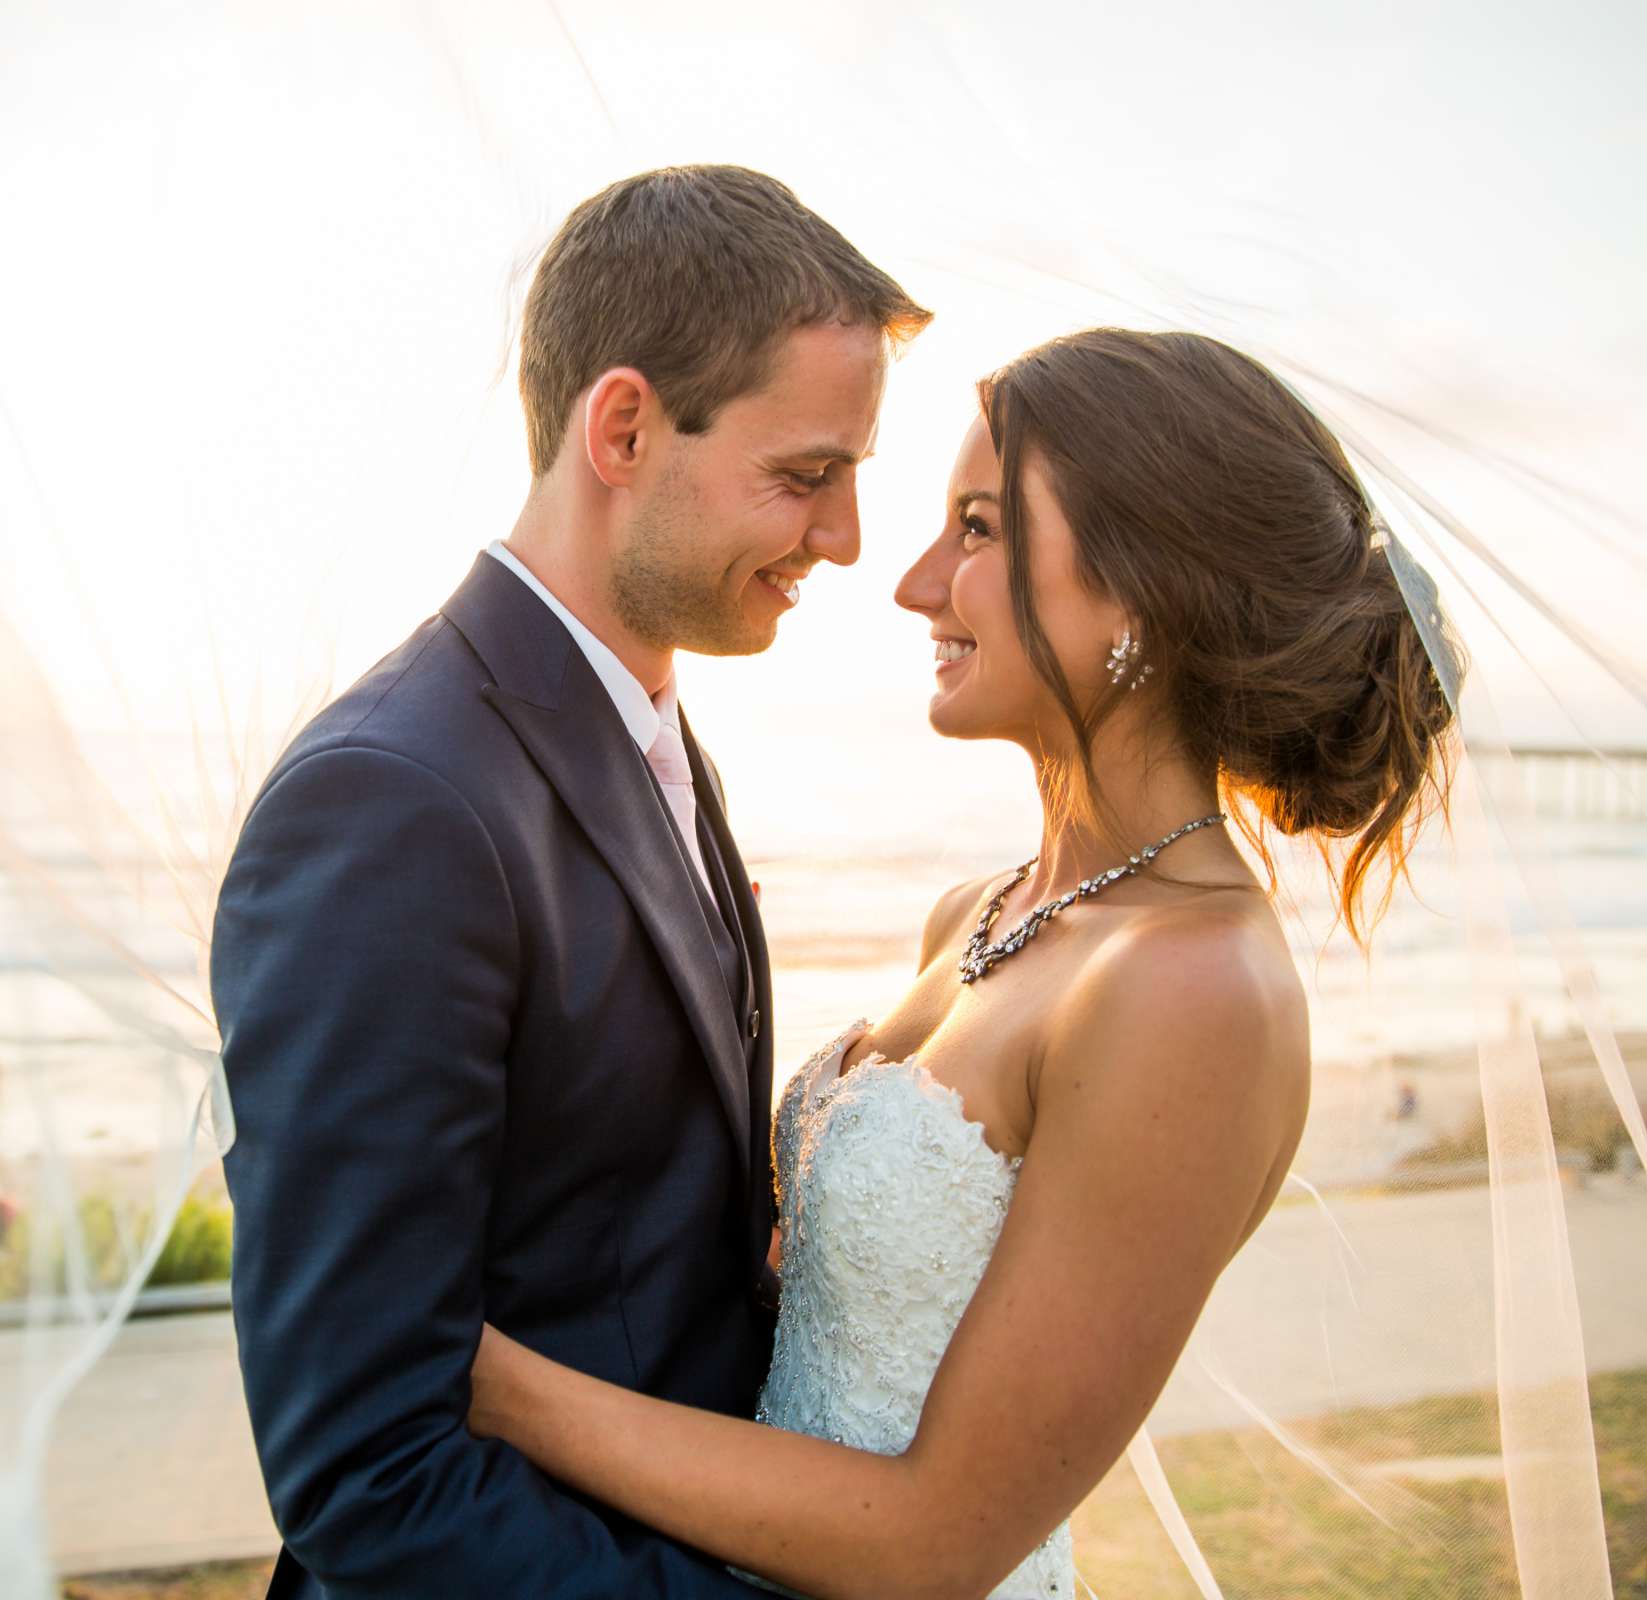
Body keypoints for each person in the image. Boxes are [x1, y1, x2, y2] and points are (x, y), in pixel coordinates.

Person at [465, 328, 1462, 1599]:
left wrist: (493, 1382)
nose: (915, 581)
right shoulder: (976, 914)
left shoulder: (1197, 990)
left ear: (1145, 592)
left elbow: (934, 1540)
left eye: (979, 529)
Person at [209, 164, 929, 1597]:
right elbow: (369, 1467)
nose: (847, 538)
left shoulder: (643, 721)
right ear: (623, 427)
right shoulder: (392, 804)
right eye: (807, 475)